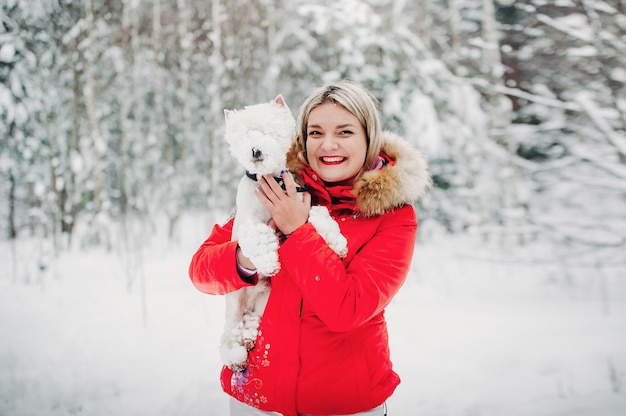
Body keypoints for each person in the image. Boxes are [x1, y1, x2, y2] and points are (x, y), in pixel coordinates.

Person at [188, 80, 431, 416]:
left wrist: (298, 231)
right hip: (257, 399)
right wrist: (247, 256)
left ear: (368, 138)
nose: (328, 145)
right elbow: (200, 270)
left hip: (343, 405)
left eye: (344, 132)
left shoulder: (392, 216)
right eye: (316, 133)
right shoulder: (276, 189)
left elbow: (349, 310)